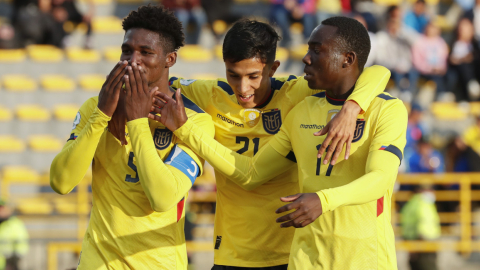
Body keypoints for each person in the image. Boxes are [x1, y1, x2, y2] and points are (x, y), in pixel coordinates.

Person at [153, 16, 407, 269]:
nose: (243, 88)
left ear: (272, 69)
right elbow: (251, 174)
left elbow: (376, 71)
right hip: (266, 255)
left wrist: (352, 108)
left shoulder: (306, 95)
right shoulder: (297, 111)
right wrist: (185, 129)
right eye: (234, 75)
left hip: (328, 255)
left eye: (253, 76)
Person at [49, 5, 214, 269]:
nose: (132, 60)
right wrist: (102, 115)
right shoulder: (97, 107)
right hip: (99, 260)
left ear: (169, 59)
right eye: (127, 50)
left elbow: (162, 199)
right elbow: (60, 182)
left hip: (159, 263)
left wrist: (136, 122)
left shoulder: (193, 121)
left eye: (146, 52)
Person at [401, 185, 441, 270]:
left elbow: (406, 226)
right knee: (428, 265)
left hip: (414, 240)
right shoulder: (423, 203)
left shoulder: (410, 204)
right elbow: (423, 224)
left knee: (416, 264)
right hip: (425, 241)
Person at [412, 22, 449, 99]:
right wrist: (429, 68)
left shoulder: (441, 42)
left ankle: (445, 94)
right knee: (436, 77)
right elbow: (417, 61)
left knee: (451, 75)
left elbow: (444, 58)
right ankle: (442, 94)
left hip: (438, 70)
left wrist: (441, 68)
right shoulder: (419, 41)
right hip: (424, 71)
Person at [0, 200, 29, 270]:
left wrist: (13, 260)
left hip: (8, 263)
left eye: (2, 207)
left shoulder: (15, 223)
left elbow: (22, 244)